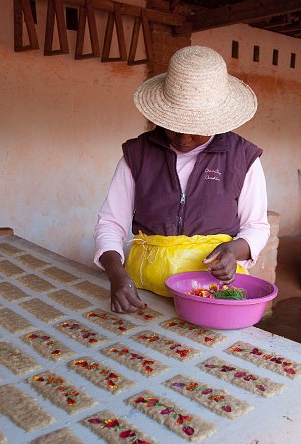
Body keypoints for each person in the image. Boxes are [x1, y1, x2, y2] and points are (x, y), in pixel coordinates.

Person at [93, 45, 270, 313]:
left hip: (215, 293)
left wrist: (234, 251)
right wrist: (117, 275)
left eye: (196, 129)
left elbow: (256, 226)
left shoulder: (242, 158)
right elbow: (111, 222)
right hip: (143, 292)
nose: (184, 139)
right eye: (175, 127)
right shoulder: (138, 154)